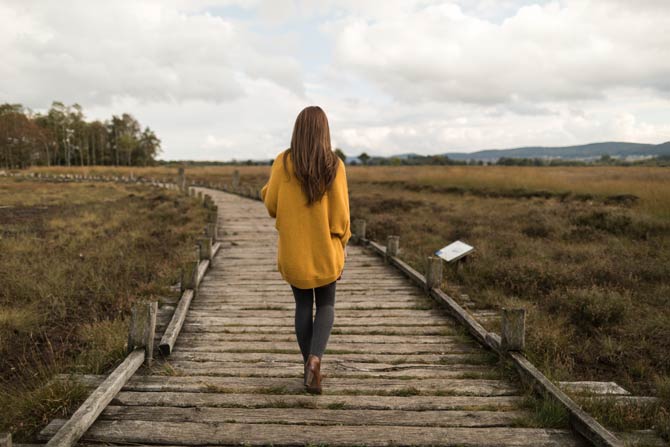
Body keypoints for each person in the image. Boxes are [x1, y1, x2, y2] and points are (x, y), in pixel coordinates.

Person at [260, 106, 351, 394]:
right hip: (325, 251)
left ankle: (307, 368)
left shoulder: (282, 162)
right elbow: (340, 219)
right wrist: (343, 242)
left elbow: (272, 205)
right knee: (326, 305)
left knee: (302, 306)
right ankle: (316, 360)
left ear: (298, 130)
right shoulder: (334, 166)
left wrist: (268, 191)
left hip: (294, 252)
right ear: (325, 132)